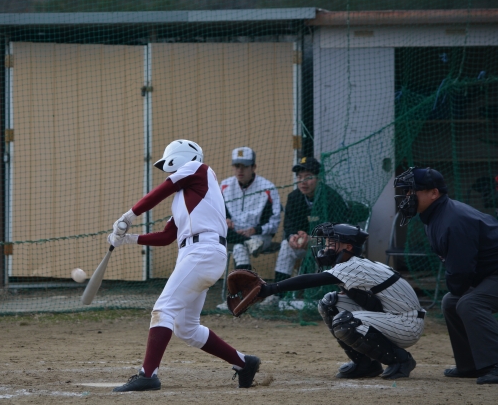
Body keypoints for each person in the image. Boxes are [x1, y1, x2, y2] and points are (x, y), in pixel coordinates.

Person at [107, 139, 260, 392]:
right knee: (186, 328)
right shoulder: (185, 197)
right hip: (197, 254)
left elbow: (162, 190)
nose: (168, 171)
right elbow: (167, 236)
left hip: (203, 251)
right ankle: (244, 363)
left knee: (163, 309)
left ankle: (148, 375)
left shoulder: (198, 169)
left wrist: (128, 216)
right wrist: (128, 239)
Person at [256, 222, 423, 379]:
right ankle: (365, 364)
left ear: (348, 247)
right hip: (393, 318)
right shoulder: (353, 264)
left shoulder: (352, 265)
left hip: (406, 324)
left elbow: (310, 280)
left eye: (331, 244)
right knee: (330, 303)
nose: (326, 248)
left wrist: (270, 289)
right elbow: (374, 303)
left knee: (346, 322)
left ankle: (401, 360)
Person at [394, 167, 498, 384]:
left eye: (412, 191)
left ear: (434, 193)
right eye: (406, 192)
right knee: (451, 302)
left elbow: (461, 271)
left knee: (469, 303)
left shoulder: (453, 219)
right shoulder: (436, 215)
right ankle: (471, 365)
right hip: (490, 273)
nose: (407, 197)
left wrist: (460, 288)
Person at [274, 156, 350, 282]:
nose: (303, 182)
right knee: (285, 245)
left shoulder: (331, 197)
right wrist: (292, 237)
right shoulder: (293, 197)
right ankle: (279, 290)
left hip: (328, 245)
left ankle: (323, 288)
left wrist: (314, 239)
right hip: (303, 243)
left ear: (319, 178)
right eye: (299, 177)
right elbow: (289, 224)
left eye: (308, 177)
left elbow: (340, 231)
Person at [219, 147, 282, 270]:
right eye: (237, 166)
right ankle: (247, 283)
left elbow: (274, 222)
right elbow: (216, 211)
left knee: (238, 247)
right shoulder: (225, 185)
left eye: (245, 166)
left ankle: (244, 283)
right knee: (225, 237)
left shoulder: (268, 187)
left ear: (254, 167)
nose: (240, 170)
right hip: (233, 233)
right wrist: (225, 219)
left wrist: (255, 230)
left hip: (260, 236)